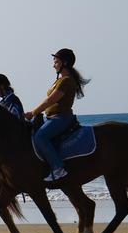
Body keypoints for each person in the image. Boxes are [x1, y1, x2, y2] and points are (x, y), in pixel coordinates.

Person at [24, 48, 90, 182]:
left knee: (40, 137)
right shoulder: (60, 80)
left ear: (64, 63)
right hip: (51, 118)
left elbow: (50, 100)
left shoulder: (66, 81)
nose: (53, 64)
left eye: (56, 61)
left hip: (61, 118)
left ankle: (58, 168)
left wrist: (33, 112)